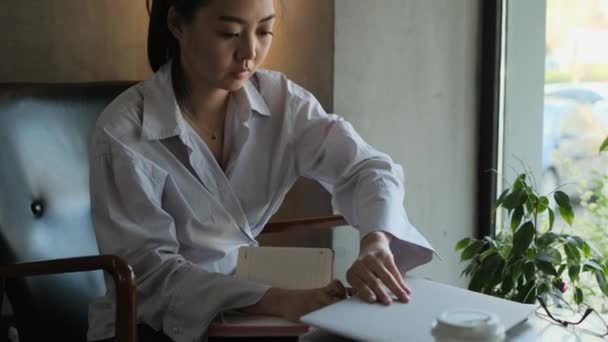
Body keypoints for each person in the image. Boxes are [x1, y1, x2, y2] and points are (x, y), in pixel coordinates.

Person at [88, 0, 434, 341]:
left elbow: (368, 167)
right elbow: (149, 278)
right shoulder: (123, 133)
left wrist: (376, 240)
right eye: (230, 33)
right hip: (146, 326)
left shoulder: (280, 100)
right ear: (177, 24)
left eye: (265, 30)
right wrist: (279, 299)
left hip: (249, 310)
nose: (249, 52)